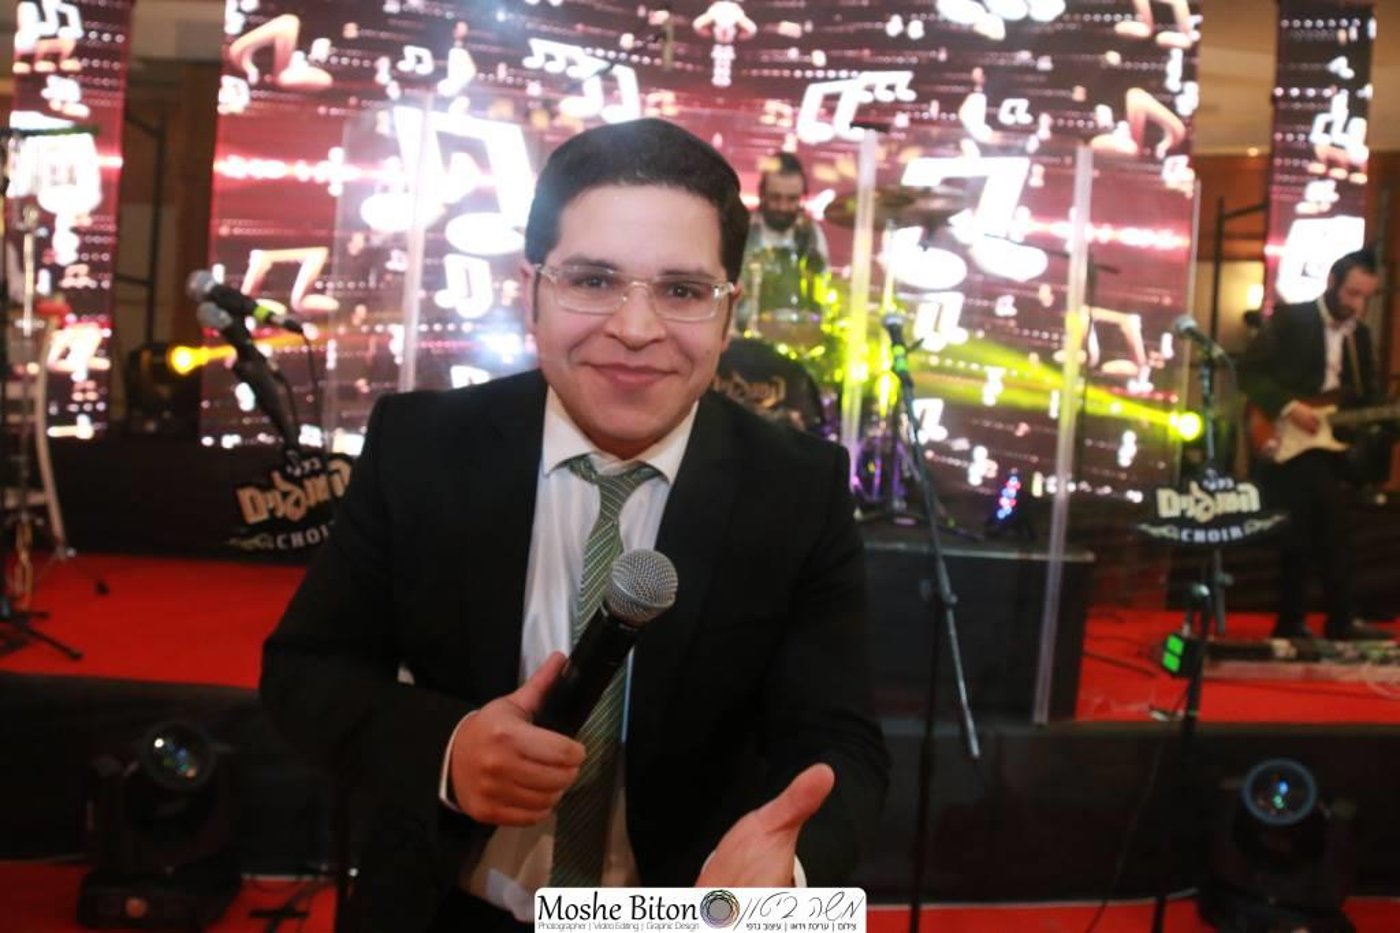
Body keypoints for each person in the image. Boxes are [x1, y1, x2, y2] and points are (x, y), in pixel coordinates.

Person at [260, 118, 889, 932]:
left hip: (685, 920)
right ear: (531, 290)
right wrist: (448, 750)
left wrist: (789, 877)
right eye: (593, 280)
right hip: (445, 906)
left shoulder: (797, 488)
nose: (635, 328)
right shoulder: (421, 447)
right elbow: (307, 669)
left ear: (728, 314)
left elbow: (842, 741)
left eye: (682, 291)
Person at [1238, 248, 1391, 642]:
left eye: (1365, 297)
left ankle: (1309, 621)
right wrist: (1290, 408)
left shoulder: (1360, 337)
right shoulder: (1292, 319)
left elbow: (1366, 398)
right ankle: (1327, 620)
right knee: (1312, 530)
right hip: (1287, 441)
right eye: (1352, 294)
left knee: (1327, 530)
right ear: (1332, 282)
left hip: (1331, 445)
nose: (1357, 305)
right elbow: (1249, 372)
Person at [736, 152, 830, 333]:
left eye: (792, 199)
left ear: (802, 197)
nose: (783, 207)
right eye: (775, 197)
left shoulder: (811, 235)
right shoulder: (741, 230)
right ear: (762, 194)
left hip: (796, 336)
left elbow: (822, 294)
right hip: (744, 337)